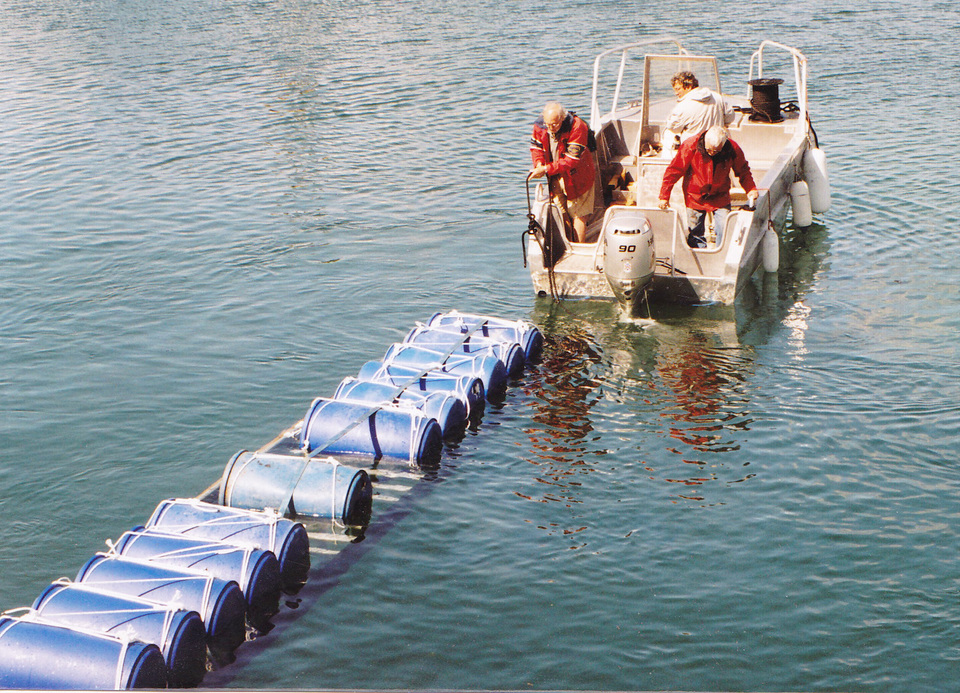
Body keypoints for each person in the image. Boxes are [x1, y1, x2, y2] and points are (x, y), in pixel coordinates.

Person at [658, 126, 759, 248]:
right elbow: (674, 171)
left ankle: (722, 256)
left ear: (723, 144)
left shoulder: (733, 148)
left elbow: (743, 170)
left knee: (725, 228)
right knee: (695, 233)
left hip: (720, 196)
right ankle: (700, 257)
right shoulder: (690, 145)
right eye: (709, 150)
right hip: (695, 196)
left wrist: (751, 188)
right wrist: (664, 196)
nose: (711, 153)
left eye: (716, 151)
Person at [528, 102, 596, 243]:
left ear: (563, 119)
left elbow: (572, 160)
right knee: (561, 212)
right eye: (548, 124)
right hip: (555, 176)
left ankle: (578, 248)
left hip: (578, 176)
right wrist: (539, 163)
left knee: (578, 214)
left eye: (555, 124)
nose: (551, 128)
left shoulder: (577, 126)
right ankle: (568, 244)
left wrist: (546, 169)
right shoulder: (540, 125)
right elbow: (536, 148)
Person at [664, 71, 734, 143]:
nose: (676, 93)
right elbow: (730, 116)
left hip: (693, 149)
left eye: (678, 89)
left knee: (667, 134)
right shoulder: (717, 97)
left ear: (688, 87)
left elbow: (673, 127)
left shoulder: (683, 105)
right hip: (716, 147)